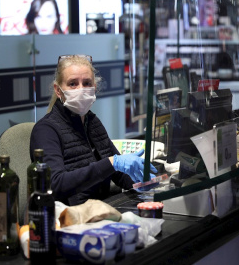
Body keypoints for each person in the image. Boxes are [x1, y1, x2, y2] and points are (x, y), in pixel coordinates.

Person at [30, 54, 157, 205]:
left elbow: (118, 174)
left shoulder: (92, 122)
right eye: (72, 84)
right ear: (58, 91)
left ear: (94, 88)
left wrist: (142, 183)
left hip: (101, 208)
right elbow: (55, 184)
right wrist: (111, 163)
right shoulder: (46, 130)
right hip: (69, 217)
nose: (81, 89)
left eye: (87, 83)